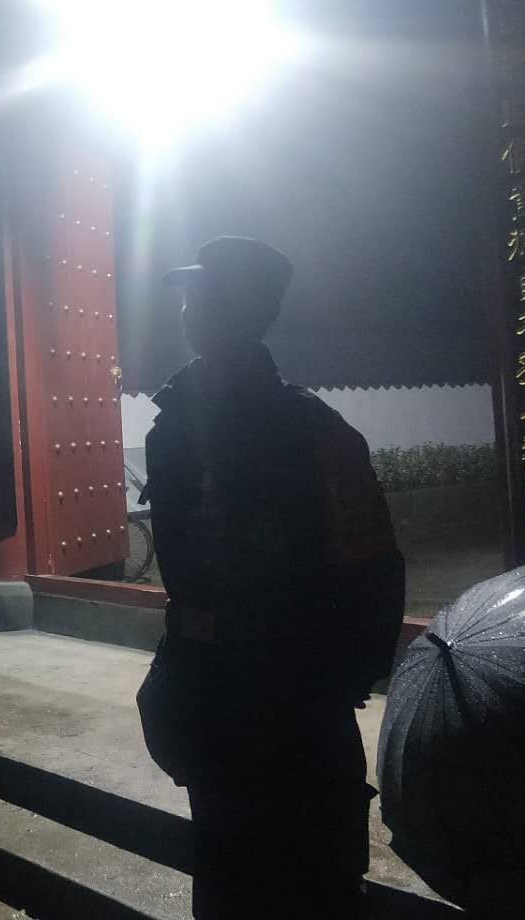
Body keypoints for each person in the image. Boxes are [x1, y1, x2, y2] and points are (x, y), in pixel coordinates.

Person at [139, 237, 405, 918]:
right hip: (210, 694)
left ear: (253, 311)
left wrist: (343, 675)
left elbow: (373, 566)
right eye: (190, 299)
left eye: (209, 297)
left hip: (299, 699)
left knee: (316, 878)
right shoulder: (173, 426)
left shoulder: (317, 433)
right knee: (226, 877)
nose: (191, 312)